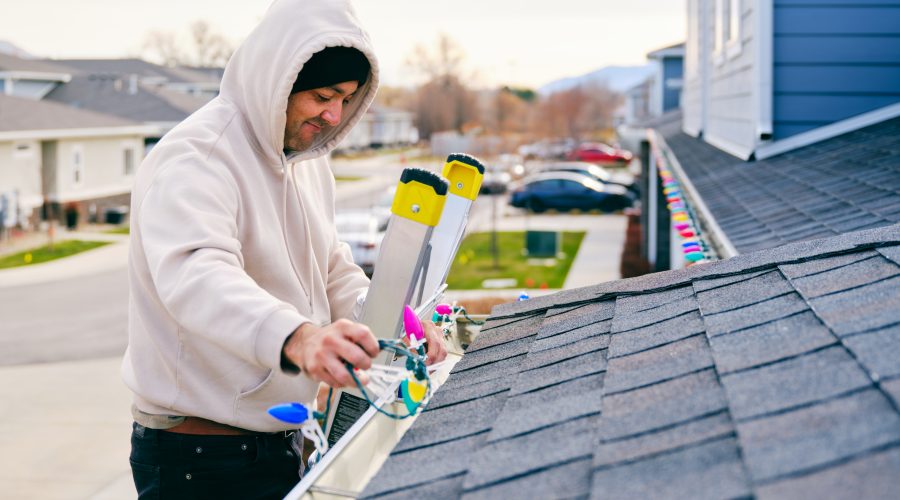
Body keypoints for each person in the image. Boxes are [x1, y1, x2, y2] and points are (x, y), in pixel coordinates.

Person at [122, 1, 447, 498]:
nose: (334, 115)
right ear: (279, 80)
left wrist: (394, 321)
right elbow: (197, 277)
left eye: (347, 99)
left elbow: (332, 266)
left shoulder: (304, 162)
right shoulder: (197, 158)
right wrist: (299, 338)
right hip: (198, 456)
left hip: (275, 441)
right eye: (323, 95)